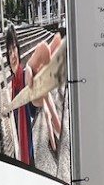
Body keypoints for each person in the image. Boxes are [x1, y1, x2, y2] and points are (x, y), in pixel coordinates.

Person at [5, 25, 64, 162]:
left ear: (18, 50)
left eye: (14, 49)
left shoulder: (25, 76)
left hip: (27, 154)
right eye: (9, 52)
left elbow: (36, 102)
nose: (13, 55)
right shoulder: (14, 82)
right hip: (19, 147)